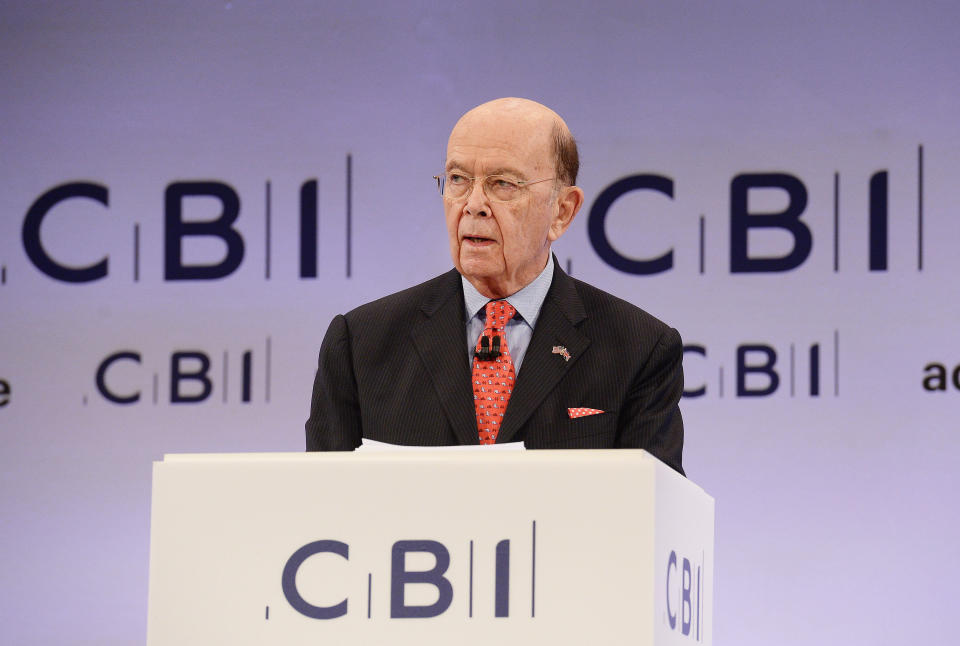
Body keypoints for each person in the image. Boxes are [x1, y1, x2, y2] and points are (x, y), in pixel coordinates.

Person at [305, 97, 684, 474]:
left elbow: (654, 517)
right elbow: (319, 508)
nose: (473, 205)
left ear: (562, 211)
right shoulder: (361, 344)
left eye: (503, 184)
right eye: (458, 179)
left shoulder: (638, 351)